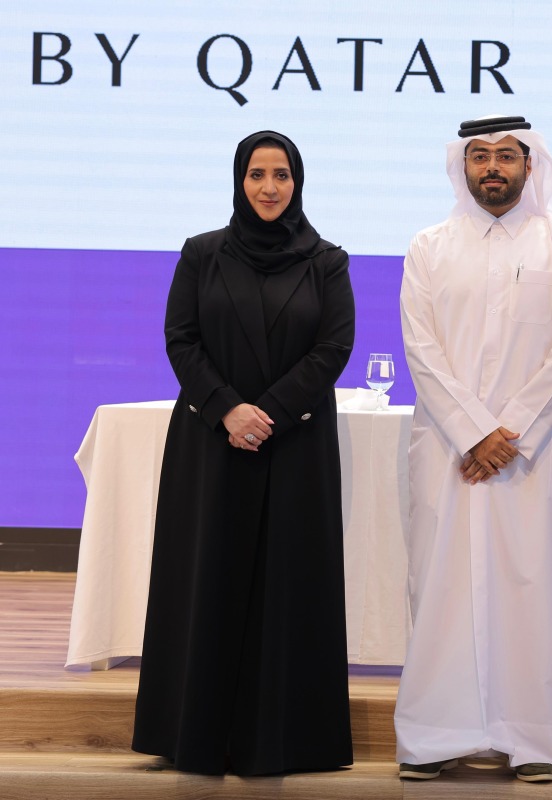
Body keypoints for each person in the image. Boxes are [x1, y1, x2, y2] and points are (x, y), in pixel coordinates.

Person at [132, 130, 355, 775]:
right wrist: (228, 409)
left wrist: (270, 413)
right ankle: (194, 736)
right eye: (257, 174)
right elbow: (181, 339)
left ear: (297, 183)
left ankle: (287, 741)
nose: (269, 187)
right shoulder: (202, 253)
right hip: (211, 441)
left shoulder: (327, 260)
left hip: (294, 443)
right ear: (239, 180)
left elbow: (334, 348)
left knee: (289, 586)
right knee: (206, 580)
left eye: (281, 175)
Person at [394, 115, 552, 784]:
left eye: (506, 156)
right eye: (479, 157)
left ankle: (527, 739)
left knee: (528, 585)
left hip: (529, 454)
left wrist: (508, 432)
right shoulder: (429, 245)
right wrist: (472, 432)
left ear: (529, 165)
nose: (492, 168)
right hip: (448, 450)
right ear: (463, 167)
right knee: (442, 586)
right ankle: (433, 737)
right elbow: (420, 347)